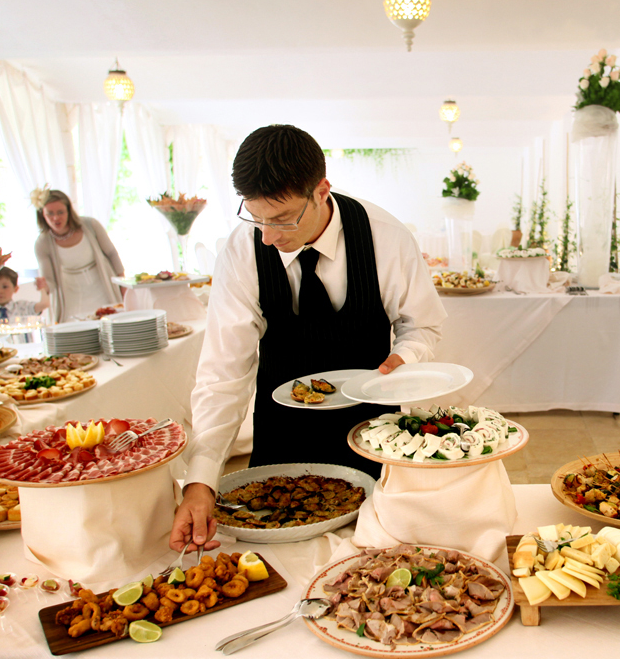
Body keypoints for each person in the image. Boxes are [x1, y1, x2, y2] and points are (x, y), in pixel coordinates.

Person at [170, 124, 446, 554]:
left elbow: (422, 325)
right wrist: (200, 481)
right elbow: (224, 372)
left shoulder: (386, 237)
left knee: (374, 558)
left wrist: (405, 357)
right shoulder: (243, 250)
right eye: (255, 217)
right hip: (281, 439)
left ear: (321, 191)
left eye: (282, 218)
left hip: (372, 433)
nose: (268, 236)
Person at [32, 189, 124, 322]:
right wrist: (43, 285)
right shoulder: (42, 243)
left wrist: (123, 286)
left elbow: (112, 254)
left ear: (69, 211)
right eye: (50, 213)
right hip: (71, 297)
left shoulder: (90, 225)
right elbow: (50, 282)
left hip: (102, 289)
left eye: (60, 212)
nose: (56, 218)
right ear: (42, 215)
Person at [0, 266, 50, 336]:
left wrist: (42, 288)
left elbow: (44, 304)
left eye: (5, 287)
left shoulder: (23, 307)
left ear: (15, 288)